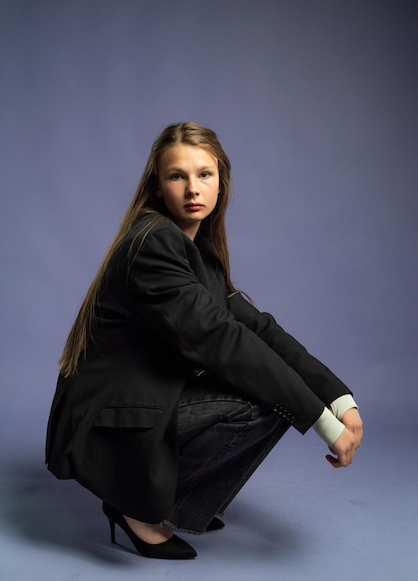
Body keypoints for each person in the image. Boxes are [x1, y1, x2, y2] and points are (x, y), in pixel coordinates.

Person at [46, 122, 363, 560]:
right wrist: (322, 424)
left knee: (268, 384)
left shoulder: (198, 252)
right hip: (105, 419)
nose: (192, 188)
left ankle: (169, 502)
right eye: (177, 176)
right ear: (157, 187)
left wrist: (340, 399)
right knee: (266, 398)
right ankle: (134, 505)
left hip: (141, 398)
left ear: (221, 184)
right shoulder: (153, 243)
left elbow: (259, 329)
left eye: (204, 175)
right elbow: (223, 340)